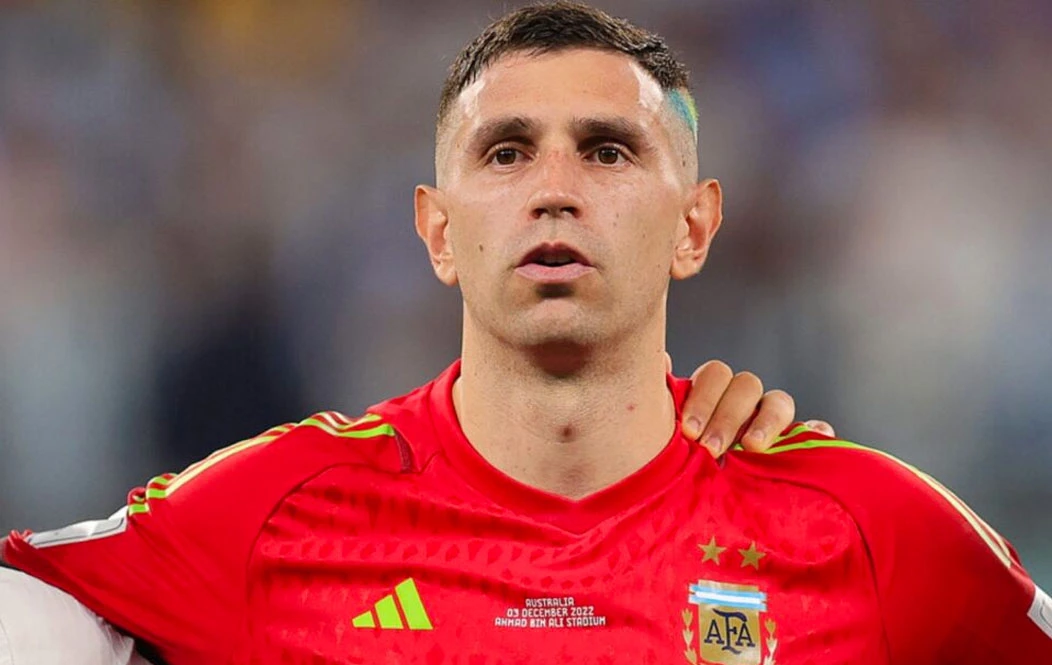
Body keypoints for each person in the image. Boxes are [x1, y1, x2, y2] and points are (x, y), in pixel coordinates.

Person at [3, 2, 1049, 663]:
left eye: (607, 151)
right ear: (437, 230)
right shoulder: (272, 516)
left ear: (694, 226)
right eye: (506, 152)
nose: (555, 189)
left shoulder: (869, 530)